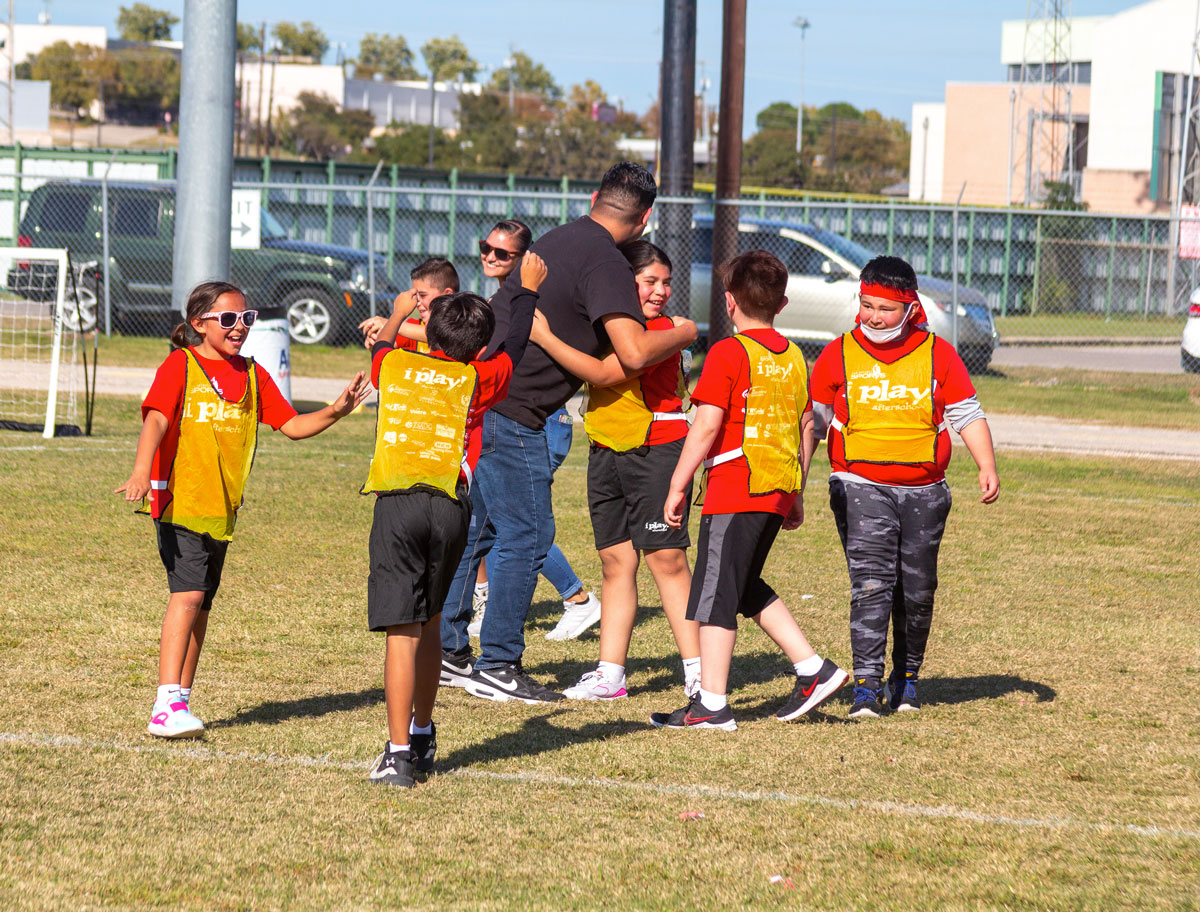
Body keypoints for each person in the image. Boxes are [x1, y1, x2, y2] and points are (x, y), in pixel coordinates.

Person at [439, 161, 698, 705]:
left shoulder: (558, 238)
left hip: (481, 397)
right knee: (526, 536)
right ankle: (499, 664)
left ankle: (449, 652)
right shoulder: (605, 261)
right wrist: (686, 333)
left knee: (480, 530)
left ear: (594, 196)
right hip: (518, 411)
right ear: (645, 219)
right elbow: (630, 352)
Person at [116, 281, 369, 739]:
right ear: (199, 324)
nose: (240, 327)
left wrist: (336, 410)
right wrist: (139, 472)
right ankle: (164, 704)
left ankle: (181, 701)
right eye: (228, 319)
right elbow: (155, 417)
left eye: (246, 319)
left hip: (222, 511)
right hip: (179, 505)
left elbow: (291, 424)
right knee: (187, 596)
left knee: (202, 606)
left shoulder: (252, 374)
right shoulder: (181, 364)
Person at [363, 254, 544, 786]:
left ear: (427, 333)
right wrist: (526, 291)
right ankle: (422, 733)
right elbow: (513, 347)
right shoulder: (480, 378)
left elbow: (378, 347)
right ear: (479, 348)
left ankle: (397, 755)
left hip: (398, 502)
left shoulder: (394, 365)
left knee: (401, 629)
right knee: (431, 619)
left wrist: (397, 315)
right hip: (451, 504)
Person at [650, 251, 848, 732]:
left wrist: (677, 484)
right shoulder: (795, 355)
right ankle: (812, 668)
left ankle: (711, 706)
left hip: (736, 488)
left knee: (717, 596)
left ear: (729, 301)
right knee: (743, 585)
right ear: (781, 305)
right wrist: (796, 489)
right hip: (775, 485)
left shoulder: (728, 353)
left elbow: (706, 425)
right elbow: (807, 426)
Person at [809, 255, 999, 719]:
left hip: (924, 492)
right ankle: (867, 686)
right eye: (867, 305)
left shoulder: (939, 353)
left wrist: (986, 464)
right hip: (859, 485)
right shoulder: (838, 352)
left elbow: (967, 414)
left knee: (916, 591)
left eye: (886, 308)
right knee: (871, 584)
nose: (874, 316)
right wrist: (797, 478)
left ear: (910, 307)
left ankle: (906, 679)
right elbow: (813, 421)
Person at [530, 241, 699, 701]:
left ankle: (699, 672)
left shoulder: (662, 330)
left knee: (667, 561)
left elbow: (606, 375)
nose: (661, 290)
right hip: (606, 451)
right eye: (650, 282)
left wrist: (545, 337)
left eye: (666, 282)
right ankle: (610, 675)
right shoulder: (610, 326)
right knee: (615, 562)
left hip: (656, 451)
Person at [464, 219, 600, 645]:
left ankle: (576, 598)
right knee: (489, 522)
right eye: (486, 248)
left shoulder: (536, 302)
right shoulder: (501, 300)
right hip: (500, 419)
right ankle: (480, 606)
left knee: (518, 526)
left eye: (501, 253)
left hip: (542, 424)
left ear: (527, 260)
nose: (490, 257)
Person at [358, 257, 459, 351]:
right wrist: (376, 342)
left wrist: (391, 322)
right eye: (416, 295)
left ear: (448, 295)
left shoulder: (464, 325)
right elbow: (385, 354)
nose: (417, 303)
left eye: (423, 295)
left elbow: (441, 335)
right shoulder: (412, 326)